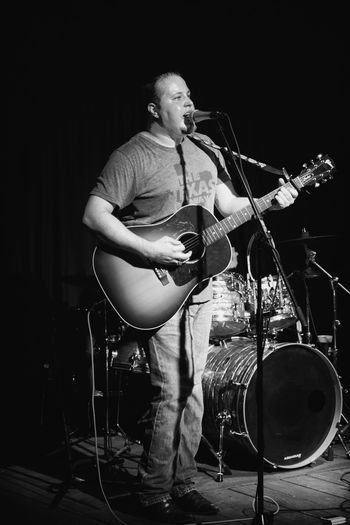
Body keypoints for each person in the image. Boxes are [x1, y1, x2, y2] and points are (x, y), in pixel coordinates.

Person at [82, 71, 298, 524]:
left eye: (189, 95)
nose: (187, 102)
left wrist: (269, 202)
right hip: (155, 286)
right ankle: (152, 492)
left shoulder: (206, 149)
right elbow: (94, 215)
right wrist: (150, 248)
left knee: (195, 387)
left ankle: (182, 482)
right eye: (176, 96)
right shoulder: (132, 155)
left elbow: (229, 205)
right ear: (154, 108)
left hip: (199, 287)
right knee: (172, 390)